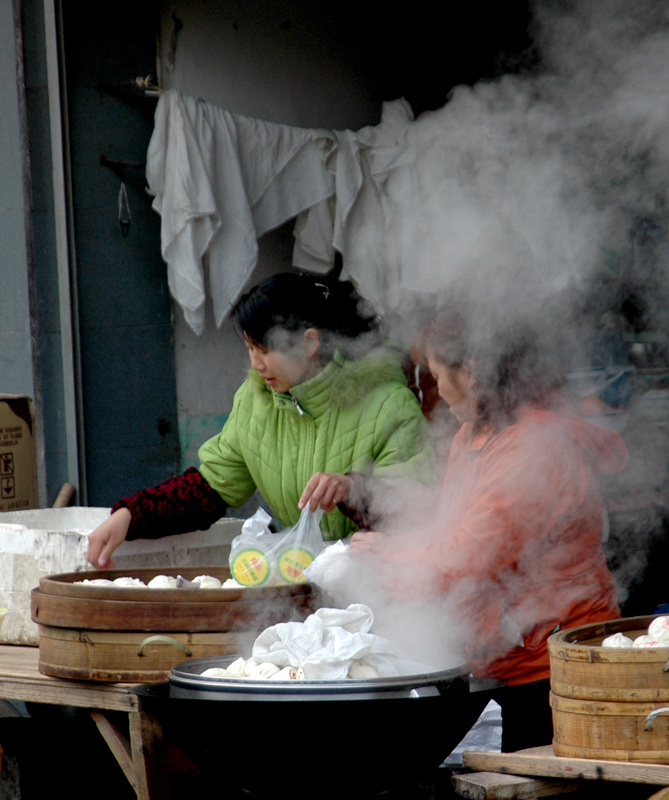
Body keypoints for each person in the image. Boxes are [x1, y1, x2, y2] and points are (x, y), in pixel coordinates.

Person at [351, 305, 628, 751]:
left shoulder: (532, 451)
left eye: (439, 376)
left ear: (473, 372)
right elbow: (449, 531)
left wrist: (389, 555)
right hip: (501, 656)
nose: (436, 391)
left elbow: (469, 557)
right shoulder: (473, 436)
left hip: (553, 670)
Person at [87, 272, 433, 569]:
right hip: (296, 584)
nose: (256, 364)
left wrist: (352, 490)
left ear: (309, 342)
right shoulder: (256, 402)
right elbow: (208, 489)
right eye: (249, 349)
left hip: (376, 595)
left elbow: (415, 516)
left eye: (265, 350)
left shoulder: (388, 404)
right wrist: (131, 516)